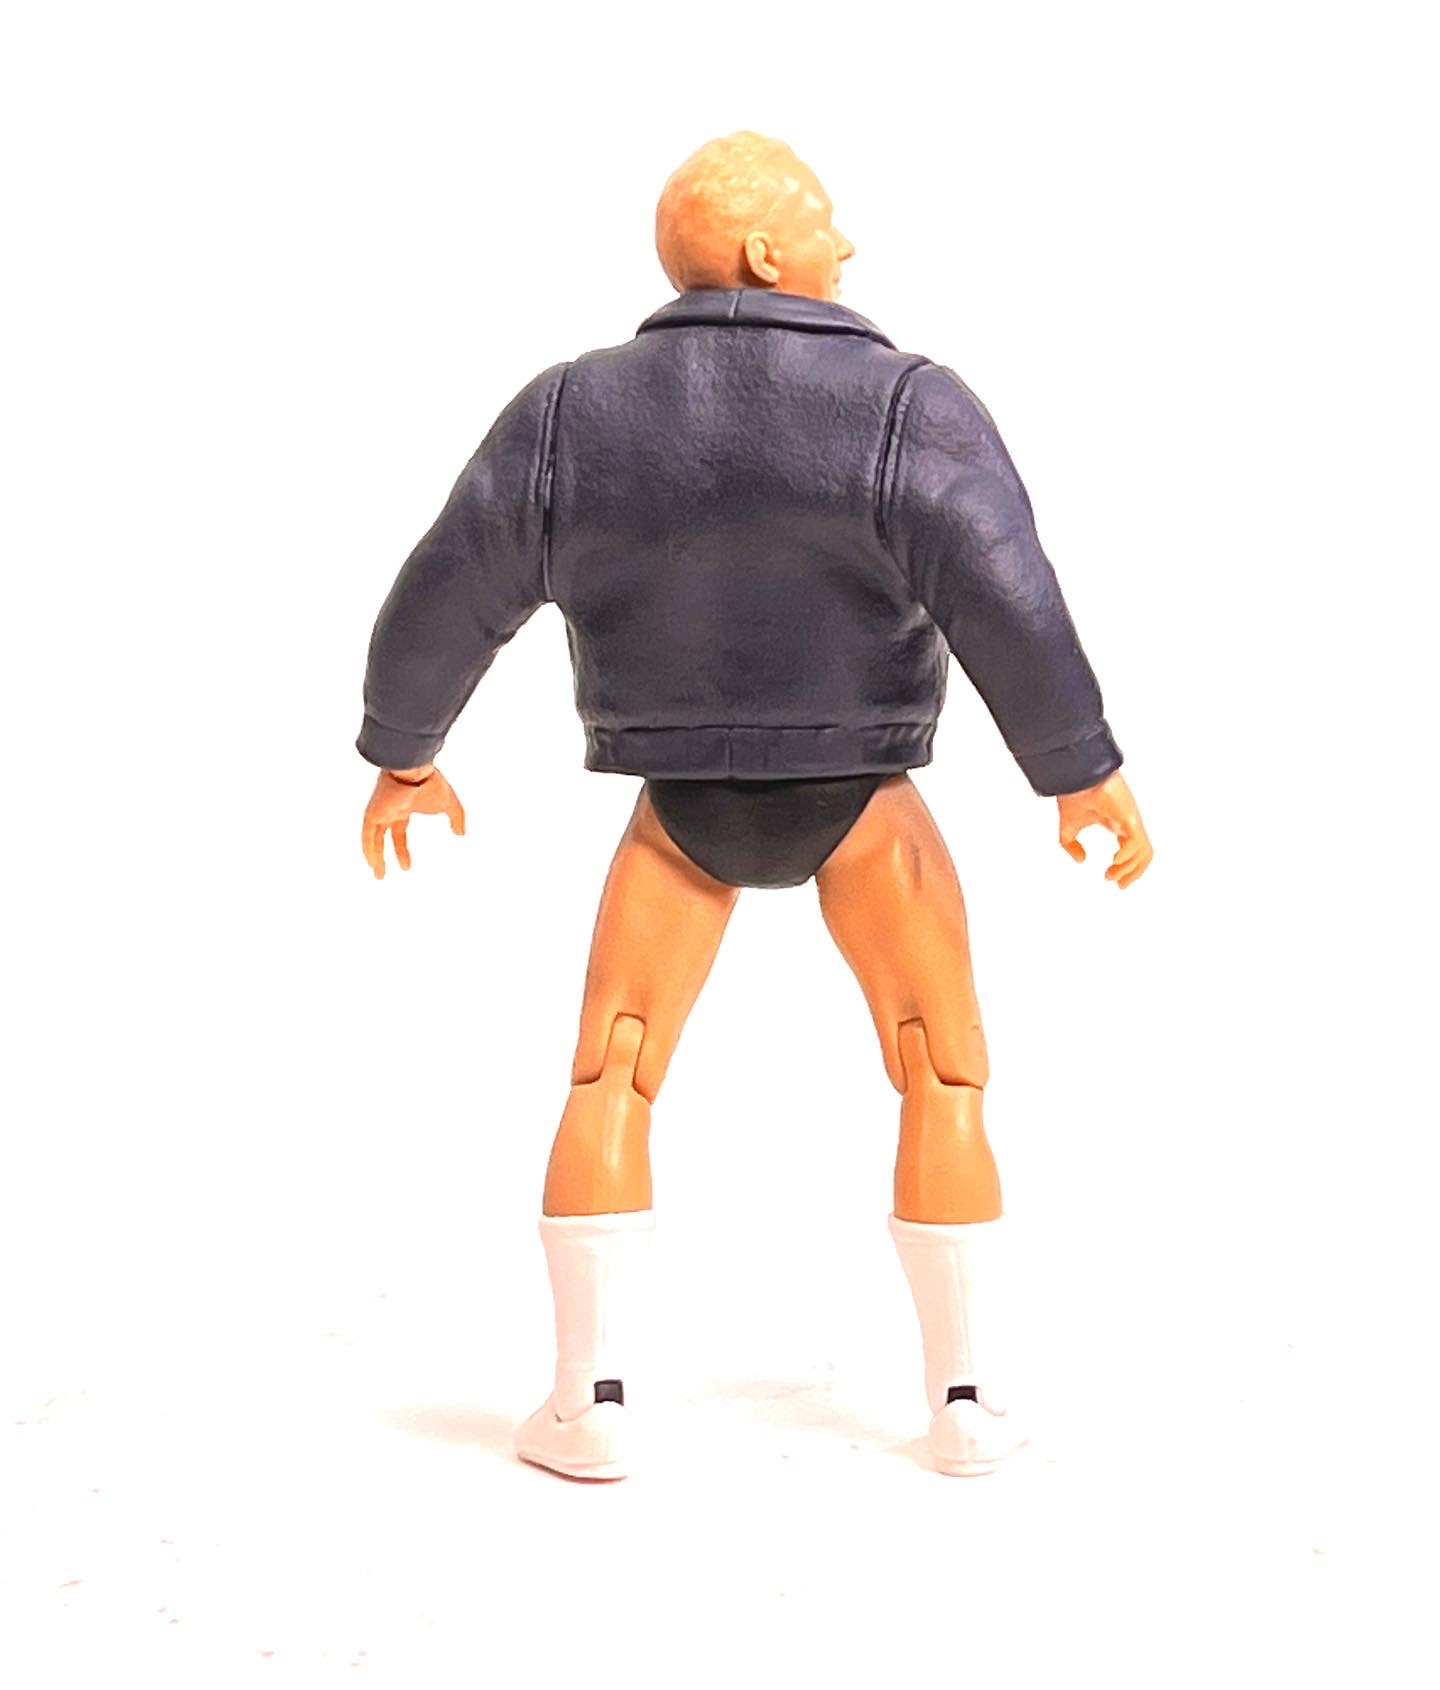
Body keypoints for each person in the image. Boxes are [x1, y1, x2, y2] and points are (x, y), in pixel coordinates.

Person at [356, 130, 1153, 1480]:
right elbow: (1004, 589)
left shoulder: (569, 412)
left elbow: (450, 582)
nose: (851, 244)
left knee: (612, 1064)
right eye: (827, 222)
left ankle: (587, 1405)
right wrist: (1077, 769)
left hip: (680, 807)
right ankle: (964, 1405)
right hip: (865, 797)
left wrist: (405, 750)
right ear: (769, 253)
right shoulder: (907, 404)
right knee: (941, 1064)